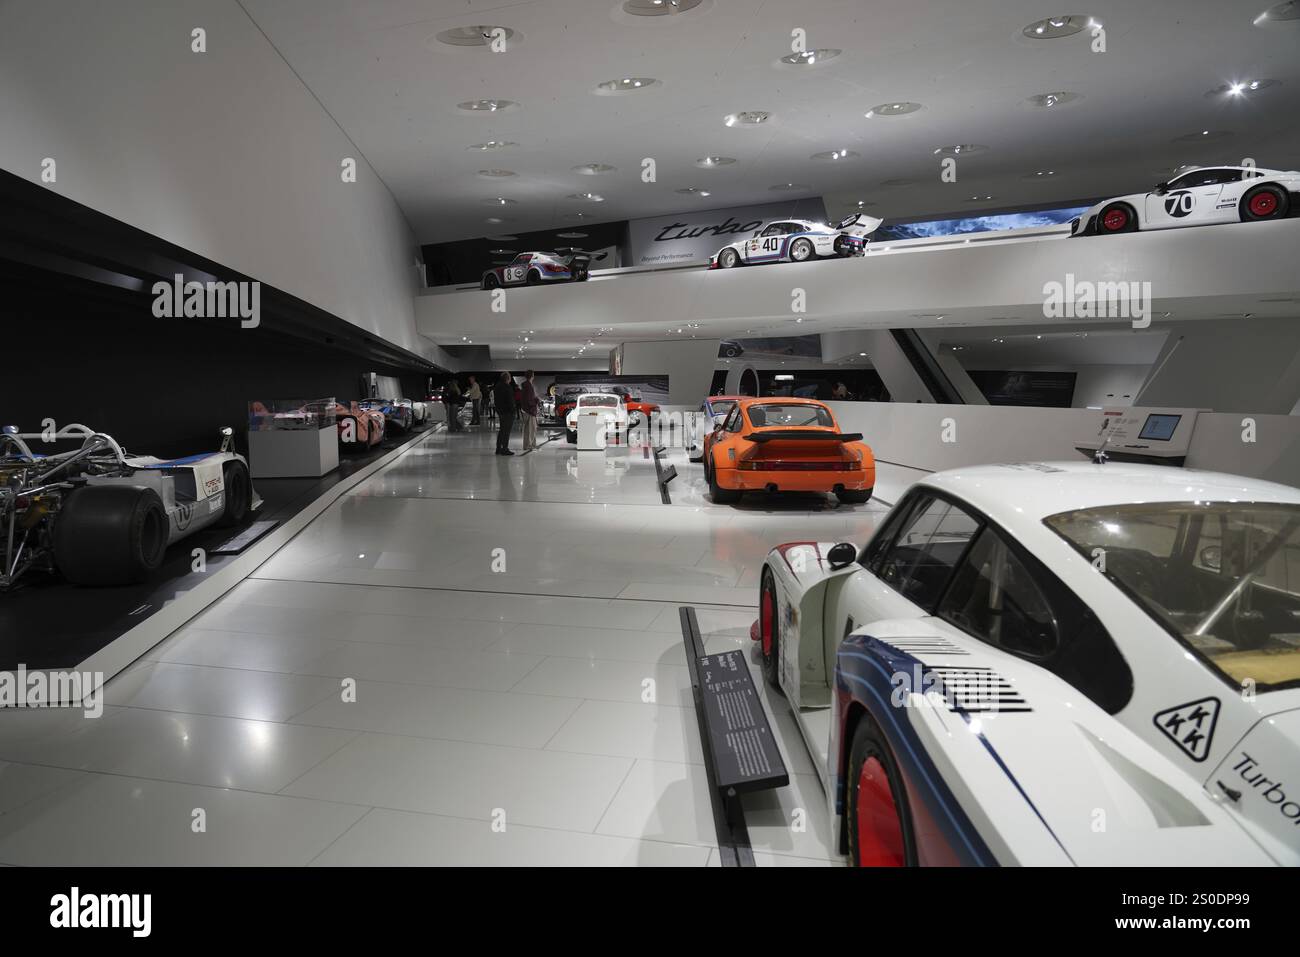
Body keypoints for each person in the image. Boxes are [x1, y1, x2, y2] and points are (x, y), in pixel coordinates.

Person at [493, 372, 516, 455]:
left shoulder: (497, 387)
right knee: (506, 431)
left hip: (501, 411)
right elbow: (510, 401)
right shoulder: (507, 387)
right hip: (508, 412)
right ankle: (505, 448)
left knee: (502, 430)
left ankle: (498, 448)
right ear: (508, 378)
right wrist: (513, 410)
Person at [520, 369, 540, 452]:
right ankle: (530, 445)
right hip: (530, 411)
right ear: (532, 376)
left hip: (526, 410)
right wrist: (536, 401)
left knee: (528, 429)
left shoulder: (525, 385)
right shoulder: (529, 386)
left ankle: (527, 445)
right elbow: (529, 399)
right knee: (531, 429)